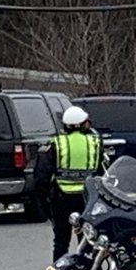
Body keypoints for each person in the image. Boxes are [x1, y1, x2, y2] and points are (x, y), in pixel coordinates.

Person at [35, 106, 103, 261]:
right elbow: (102, 172)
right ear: (83, 123)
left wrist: (43, 202)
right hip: (87, 199)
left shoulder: (56, 143)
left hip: (61, 198)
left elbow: (42, 176)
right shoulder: (95, 143)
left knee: (61, 241)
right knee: (88, 241)